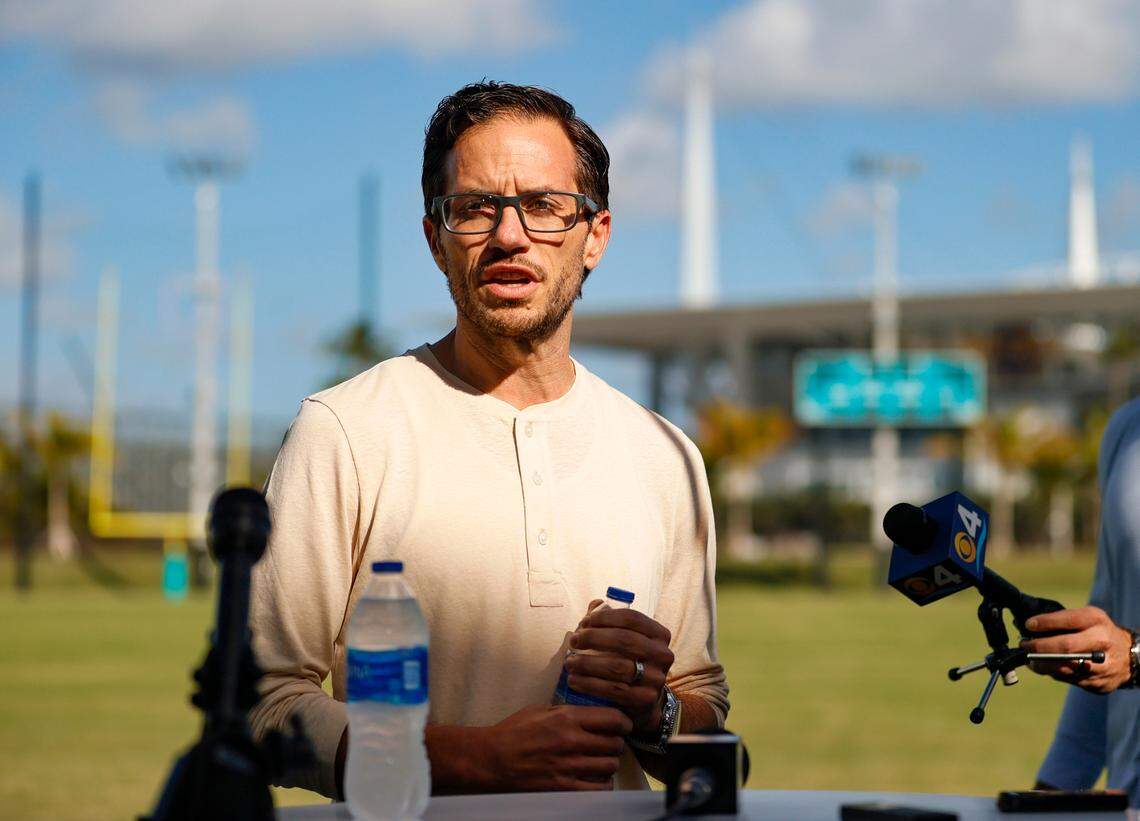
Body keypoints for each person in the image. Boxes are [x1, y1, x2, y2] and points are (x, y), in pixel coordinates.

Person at [247, 81, 729, 800]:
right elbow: (262, 704)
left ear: (594, 234)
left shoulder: (666, 456)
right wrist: (470, 760)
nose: (510, 235)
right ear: (436, 237)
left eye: (543, 206)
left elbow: (704, 712)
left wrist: (651, 707)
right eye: (475, 208)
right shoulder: (344, 431)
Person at [1023, 396, 1140, 802]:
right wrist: (1050, 792)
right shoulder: (1127, 428)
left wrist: (1136, 657)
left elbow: (1127, 654)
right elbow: (1109, 623)